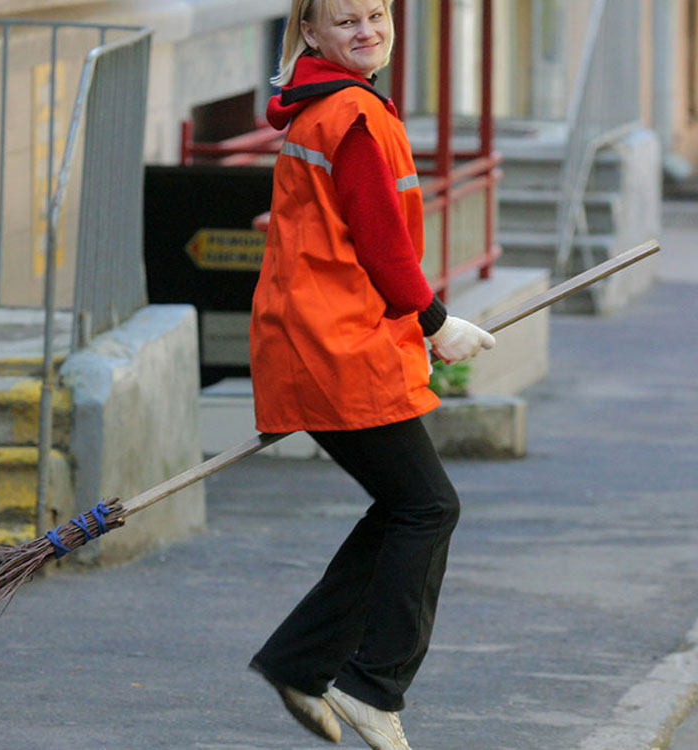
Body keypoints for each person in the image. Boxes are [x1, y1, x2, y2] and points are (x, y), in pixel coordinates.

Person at [247, 1, 495, 748]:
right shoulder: (351, 116)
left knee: (402, 508)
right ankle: (370, 685)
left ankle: (301, 660)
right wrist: (438, 322)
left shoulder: (322, 109)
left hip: (319, 342)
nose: (367, 30)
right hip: (336, 348)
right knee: (427, 508)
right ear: (311, 34)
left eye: (377, 14)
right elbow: (384, 248)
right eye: (346, 19)